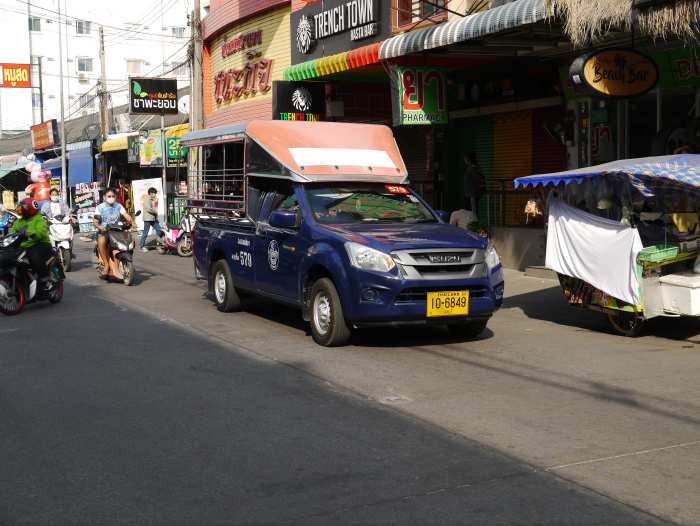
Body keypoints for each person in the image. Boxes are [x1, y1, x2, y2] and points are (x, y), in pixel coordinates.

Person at [10, 199, 53, 289]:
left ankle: (44, 277)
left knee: (34, 255)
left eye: (23, 208)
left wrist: (32, 233)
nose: (21, 210)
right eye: (20, 208)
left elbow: (41, 231)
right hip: (23, 246)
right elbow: (12, 232)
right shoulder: (18, 221)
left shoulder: (38, 218)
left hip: (40, 243)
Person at [94, 188, 133, 276]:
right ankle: (106, 265)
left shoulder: (118, 206)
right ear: (104, 197)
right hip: (105, 231)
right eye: (109, 196)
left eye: (113, 196)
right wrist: (99, 226)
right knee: (101, 241)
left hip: (118, 230)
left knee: (130, 240)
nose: (111, 198)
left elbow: (126, 215)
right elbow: (95, 221)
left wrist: (131, 221)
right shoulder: (99, 207)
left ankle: (127, 261)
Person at [139, 187, 161, 252]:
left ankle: (158, 244)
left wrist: (156, 201)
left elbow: (155, 207)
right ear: (151, 193)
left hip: (153, 218)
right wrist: (155, 212)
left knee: (159, 230)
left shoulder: (152, 199)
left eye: (155, 194)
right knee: (145, 232)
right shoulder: (147, 199)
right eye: (154, 193)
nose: (155, 195)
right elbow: (148, 209)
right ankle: (141, 246)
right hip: (148, 219)